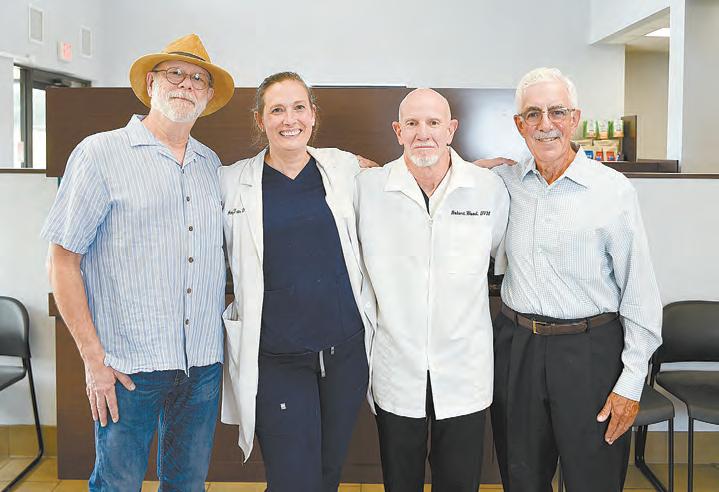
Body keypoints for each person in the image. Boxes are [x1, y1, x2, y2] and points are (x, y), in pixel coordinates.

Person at [41, 34, 234, 490]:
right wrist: (94, 360)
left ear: (207, 96)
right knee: (118, 484)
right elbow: (62, 261)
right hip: (126, 366)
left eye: (198, 79)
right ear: (151, 83)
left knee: (188, 484)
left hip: (201, 364)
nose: (186, 84)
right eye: (175, 74)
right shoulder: (99, 154)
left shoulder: (210, 164)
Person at [486, 67, 662, 491]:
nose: (545, 124)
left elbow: (640, 294)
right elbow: (441, 177)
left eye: (557, 112)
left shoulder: (613, 191)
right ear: (519, 125)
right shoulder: (503, 184)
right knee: (521, 478)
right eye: (533, 114)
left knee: (593, 480)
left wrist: (630, 384)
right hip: (517, 349)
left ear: (575, 119)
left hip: (590, 353)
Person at [220, 71, 377, 492]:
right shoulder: (232, 182)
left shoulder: (342, 167)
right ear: (260, 120)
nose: (289, 119)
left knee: (327, 475)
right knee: (293, 480)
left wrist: (472, 170)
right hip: (277, 359)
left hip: (344, 353)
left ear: (313, 115)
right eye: (277, 110)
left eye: (298, 108)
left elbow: (399, 181)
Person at [354, 88, 510, 492]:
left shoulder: (487, 188)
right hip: (396, 365)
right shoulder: (368, 189)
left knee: (458, 482)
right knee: (400, 482)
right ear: (398, 131)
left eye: (434, 123)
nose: (423, 133)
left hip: (464, 369)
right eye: (412, 123)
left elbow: (499, 250)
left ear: (451, 129)